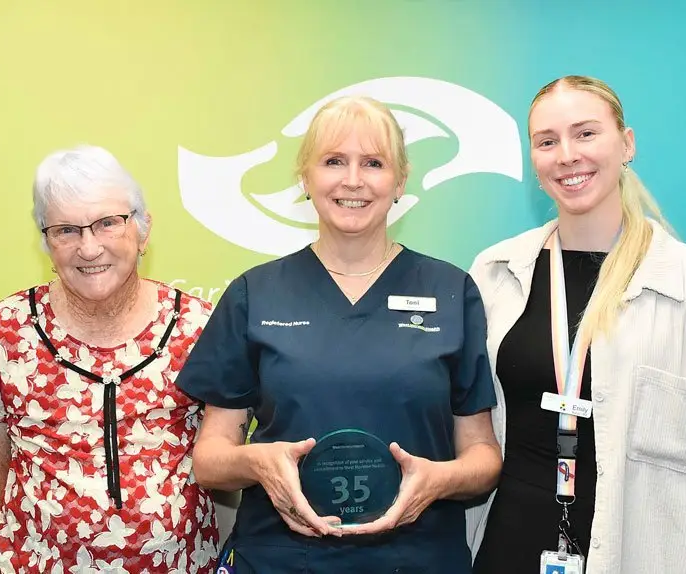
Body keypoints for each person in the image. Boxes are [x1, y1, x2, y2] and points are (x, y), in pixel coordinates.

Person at [175, 95, 502, 573]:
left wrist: (438, 479)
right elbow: (209, 459)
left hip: (417, 559)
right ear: (306, 177)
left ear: (400, 180)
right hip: (284, 560)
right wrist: (260, 462)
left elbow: (483, 457)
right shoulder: (255, 294)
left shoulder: (451, 291)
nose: (353, 180)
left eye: (373, 162)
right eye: (333, 161)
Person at [467, 75, 686, 572]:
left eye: (585, 133)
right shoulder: (496, 273)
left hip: (638, 553)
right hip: (508, 548)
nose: (566, 154)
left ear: (626, 144)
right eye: (547, 141)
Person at [0, 145, 220, 573]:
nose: (89, 247)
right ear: (45, 242)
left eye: (108, 223)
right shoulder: (2, 332)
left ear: (143, 228)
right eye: (66, 230)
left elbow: (221, 464)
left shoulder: (200, 327)